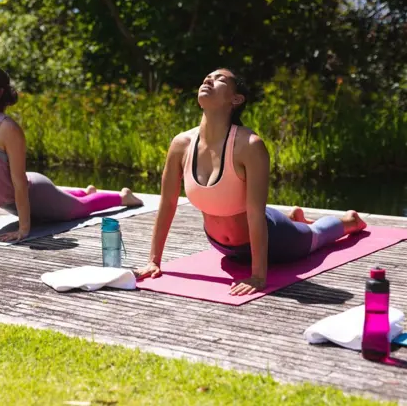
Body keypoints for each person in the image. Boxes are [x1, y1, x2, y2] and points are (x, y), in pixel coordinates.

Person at [134, 68, 366, 295]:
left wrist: (258, 276)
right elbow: (167, 204)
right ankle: (294, 218)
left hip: (275, 239)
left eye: (220, 79)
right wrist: (153, 261)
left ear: (236, 99)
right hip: (221, 245)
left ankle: (348, 220)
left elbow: (255, 214)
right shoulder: (181, 144)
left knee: (317, 236)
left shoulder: (249, 145)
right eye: (208, 76)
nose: (209, 79)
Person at [0, 63, 144, 242]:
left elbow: (19, 182)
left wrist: (24, 229)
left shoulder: (7, 129)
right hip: (16, 199)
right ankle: (85, 190)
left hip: (35, 193)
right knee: (69, 199)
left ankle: (122, 197)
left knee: (80, 209)